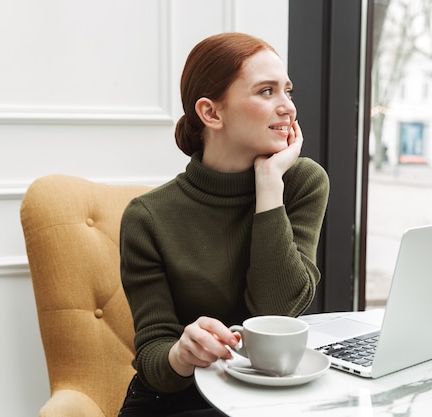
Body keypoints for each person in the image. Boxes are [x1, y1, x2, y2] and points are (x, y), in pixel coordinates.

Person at [118, 32, 329, 416]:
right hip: (178, 403)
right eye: (267, 92)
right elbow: (152, 359)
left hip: (268, 399)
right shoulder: (146, 217)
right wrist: (182, 352)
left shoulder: (301, 183)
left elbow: (277, 310)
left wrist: (269, 186)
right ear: (211, 113)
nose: (288, 108)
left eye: (288, 91)